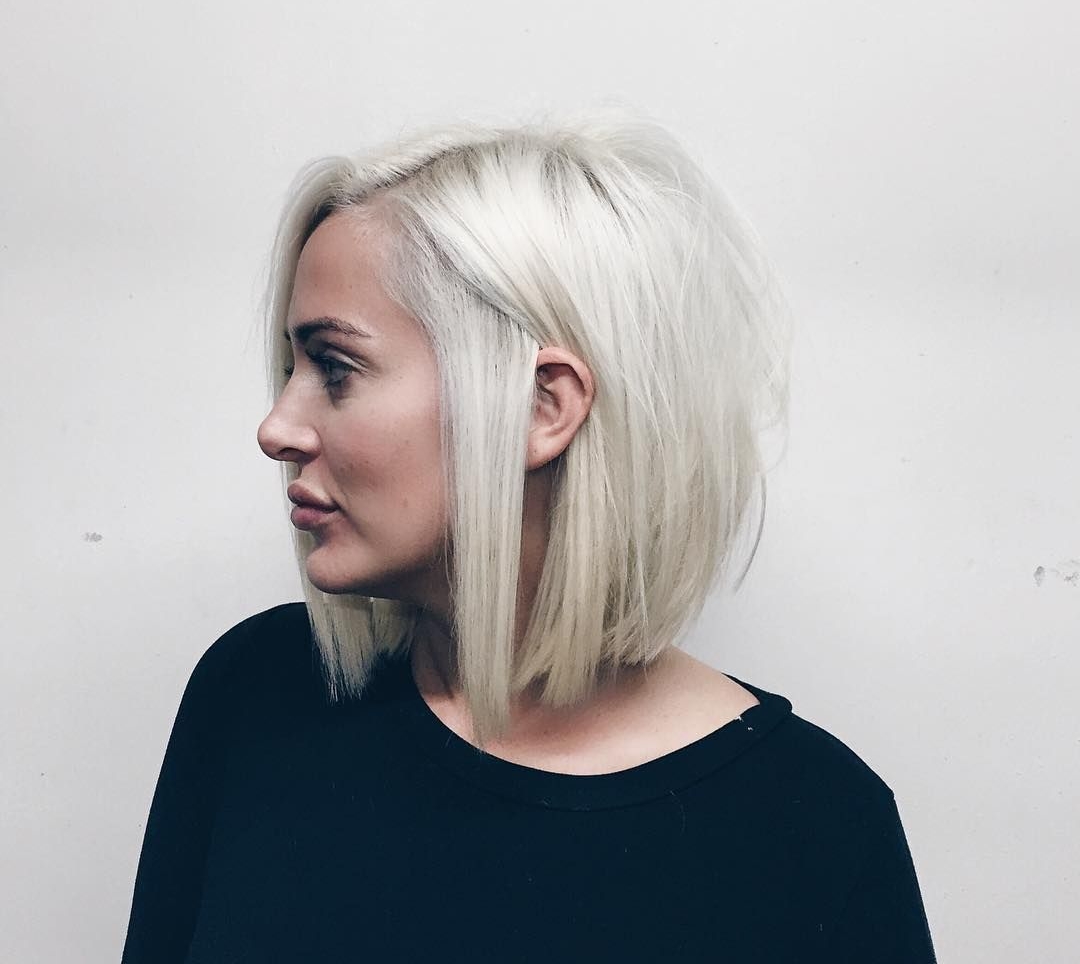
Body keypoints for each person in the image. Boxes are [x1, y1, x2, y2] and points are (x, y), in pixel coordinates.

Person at [121, 111, 937, 962]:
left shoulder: (814, 828)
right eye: (291, 369)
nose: (277, 429)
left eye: (335, 368)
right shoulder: (258, 697)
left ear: (540, 407)